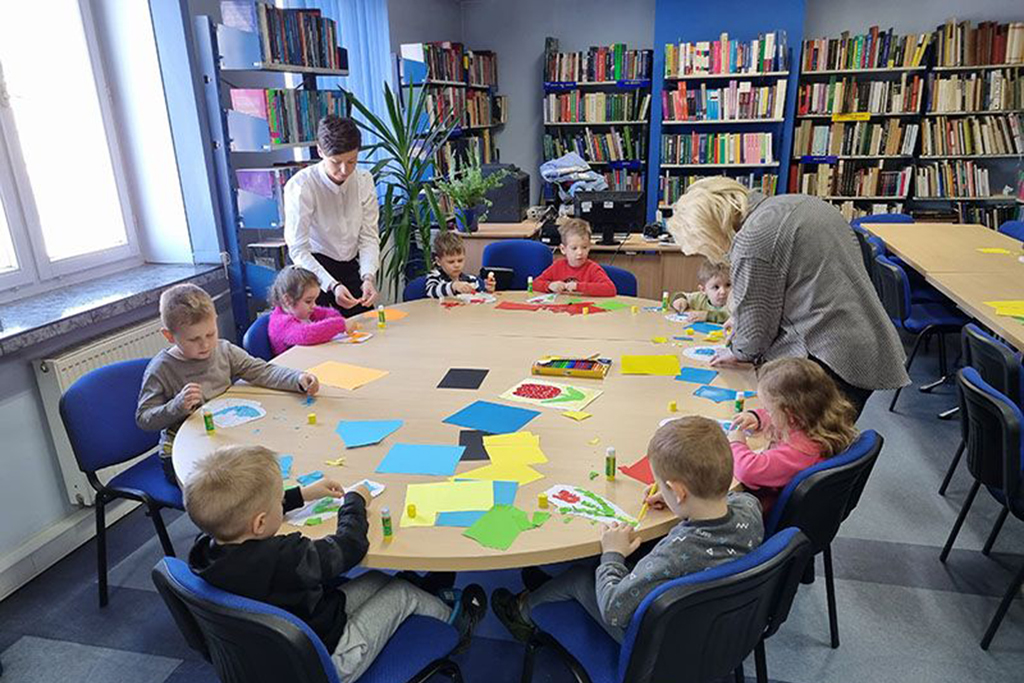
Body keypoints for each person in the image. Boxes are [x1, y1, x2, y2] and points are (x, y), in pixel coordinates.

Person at [185, 445, 486, 681]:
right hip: (329, 661)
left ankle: (425, 599)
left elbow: (248, 515)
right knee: (402, 594)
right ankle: (458, 626)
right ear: (260, 523)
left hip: (284, 641)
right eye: (278, 500)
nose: (281, 502)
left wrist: (301, 495)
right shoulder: (288, 558)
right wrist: (355, 501)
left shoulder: (204, 550)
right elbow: (350, 547)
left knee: (378, 579)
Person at [491, 417, 763, 643]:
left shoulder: (673, 555)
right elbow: (728, 498)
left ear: (678, 491)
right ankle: (549, 590)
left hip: (659, 644)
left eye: (661, 485)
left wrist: (613, 555)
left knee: (578, 576)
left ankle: (520, 611)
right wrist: (678, 503)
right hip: (721, 628)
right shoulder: (750, 507)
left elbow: (613, 609)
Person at [666, 177, 909, 417]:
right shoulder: (795, 203)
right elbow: (797, 286)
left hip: (829, 359)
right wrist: (744, 318)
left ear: (711, 230)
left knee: (805, 438)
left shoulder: (753, 238)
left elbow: (754, 336)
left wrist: (738, 350)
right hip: (866, 339)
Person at [136, 284, 319, 485]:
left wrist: (297, 379)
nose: (205, 345)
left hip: (223, 438)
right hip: (182, 454)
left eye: (210, 334)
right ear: (169, 336)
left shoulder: (224, 350)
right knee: (240, 486)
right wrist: (176, 406)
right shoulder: (161, 368)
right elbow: (144, 418)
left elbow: (261, 371)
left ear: (215, 321)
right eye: (194, 339)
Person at [729, 357, 858, 514]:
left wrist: (736, 443)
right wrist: (757, 417)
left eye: (768, 409)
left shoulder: (799, 451)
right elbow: (780, 417)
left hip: (762, 509)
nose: (765, 412)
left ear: (790, 415)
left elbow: (747, 471)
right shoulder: (816, 421)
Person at [284, 115, 380, 317]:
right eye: (336, 162)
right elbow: (298, 248)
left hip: (350, 264)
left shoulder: (364, 180)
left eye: (352, 161)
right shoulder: (301, 186)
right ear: (320, 151)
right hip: (313, 268)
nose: (344, 170)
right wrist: (332, 285)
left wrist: (368, 277)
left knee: (366, 324)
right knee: (322, 330)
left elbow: (369, 236)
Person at [268, 266, 350, 356]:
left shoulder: (302, 312)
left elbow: (331, 314)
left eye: (315, 300)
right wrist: (340, 325)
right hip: (294, 363)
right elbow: (307, 334)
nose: (314, 306)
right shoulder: (280, 323)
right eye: (308, 301)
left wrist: (339, 321)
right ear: (288, 300)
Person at [533, 219, 617, 296]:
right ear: (563, 249)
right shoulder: (557, 267)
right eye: (574, 248)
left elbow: (610, 289)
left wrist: (578, 287)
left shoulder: (593, 269)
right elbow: (534, 284)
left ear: (589, 247)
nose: (580, 252)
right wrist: (549, 286)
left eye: (584, 247)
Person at [425, 231, 496, 299]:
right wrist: (453, 286)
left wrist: (488, 290)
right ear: (438, 261)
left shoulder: (471, 280)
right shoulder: (435, 276)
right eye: (451, 262)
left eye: (460, 260)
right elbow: (431, 291)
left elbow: (480, 296)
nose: (457, 265)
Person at [670, 258, 731, 323]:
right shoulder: (699, 298)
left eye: (728, 285)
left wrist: (707, 316)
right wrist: (679, 300)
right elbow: (677, 294)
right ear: (703, 290)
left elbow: (733, 318)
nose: (723, 292)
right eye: (716, 287)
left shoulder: (735, 302)